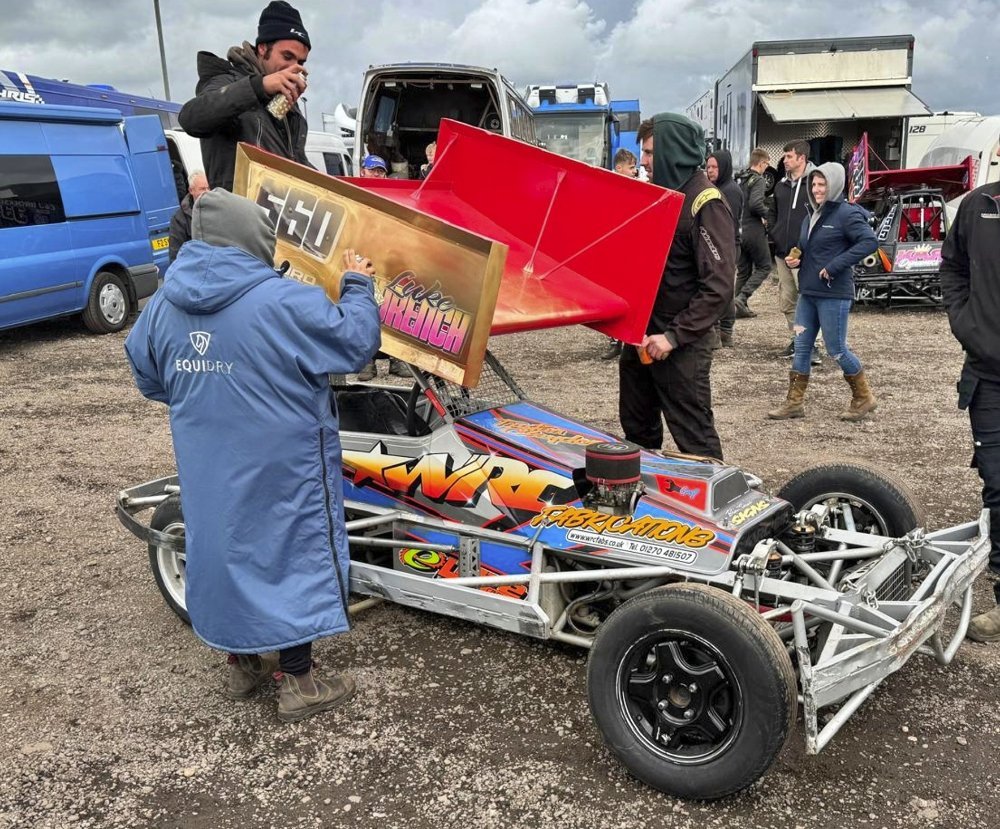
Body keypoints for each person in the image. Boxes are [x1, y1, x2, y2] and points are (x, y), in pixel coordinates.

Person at [124, 189, 381, 721]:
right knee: (289, 551)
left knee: (224, 546)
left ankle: (242, 665)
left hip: (207, 460)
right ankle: (300, 682)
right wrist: (357, 284)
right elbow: (355, 343)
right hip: (285, 461)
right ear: (253, 240)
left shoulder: (163, 306)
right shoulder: (283, 301)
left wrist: (205, 395)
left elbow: (148, 376)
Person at [620, 114, 736, 459]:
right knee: (637, 432)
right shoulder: (662, 195)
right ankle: (643, 490)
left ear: (674, 152)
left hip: (682, 345)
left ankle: (714, 494)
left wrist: (673, 337)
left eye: (650, 153)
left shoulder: (706, 203)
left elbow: (719, 287)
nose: (643, 162)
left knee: (695, 438)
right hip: (641, 338)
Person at [767, 163, 877, 421]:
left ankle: (864, 397)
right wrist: (797, 260)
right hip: (808, 293)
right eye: (814, 184)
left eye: (822, 184)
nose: (817, 189)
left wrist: (835, 265)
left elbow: (869, 241)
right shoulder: (811, 215)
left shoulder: (846, 214)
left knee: (836, 348)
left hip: (833, 294)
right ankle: (794, 403)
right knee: (801, 346)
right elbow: (807, 249)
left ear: (835, 185)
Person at [940, 173, 1000, 642]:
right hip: (988, 374)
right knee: (998, 486)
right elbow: (952, 266)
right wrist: (966, 323)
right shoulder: (979, 205)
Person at [178, 1, 312, 191]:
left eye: (300, 62)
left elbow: (296, 162)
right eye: (287, 57)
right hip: (237, 207)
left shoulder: (288, 105)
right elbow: (191, 117)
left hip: (273, 207)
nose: (294, 68)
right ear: (263, 48)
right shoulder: (226, 80)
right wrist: (260, 86)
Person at [356, 153, 407, 380]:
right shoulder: (354, 193)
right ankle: (367, 362)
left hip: (387, 260)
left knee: (392, 307)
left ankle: (396, 359)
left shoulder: (392, 197)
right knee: (364, 308)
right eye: (372, 170)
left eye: (380, 171)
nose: (376, 174)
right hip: (363, 259)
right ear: (362, 171)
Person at [771, 140, 815, 357]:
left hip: (806, 255)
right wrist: (774, 232)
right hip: (782, 253)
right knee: (787, 301)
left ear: (802, 158)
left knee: (808, 299)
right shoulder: (780, 185)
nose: (784, 160)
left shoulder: (815, 184)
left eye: (789, 156)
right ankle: (798, 339)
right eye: (785, 156)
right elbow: (774, 212)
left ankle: (813, 345)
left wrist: (809, 246)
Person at [600, 148, 640, 360]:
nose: (635, 171)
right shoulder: (610, 189)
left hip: (630, 251)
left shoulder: (638, 190)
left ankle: (628, 337)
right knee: (614, 297)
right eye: (631, 168)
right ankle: (615, 340)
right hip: (615, 252)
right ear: (619, 168)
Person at [707, 150, 743, 348]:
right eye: (708, 167)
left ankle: (722, 332)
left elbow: (729, 224)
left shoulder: (730, 191)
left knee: (720, 289)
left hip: (726, 246)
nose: (710, 171)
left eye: (715, 167)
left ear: (724, 168)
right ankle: (722, 333)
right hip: (719, 244)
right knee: (723, 288)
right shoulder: (715, 188)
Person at [733, 148, 774, 318]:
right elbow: (755, 204)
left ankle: (735, 308)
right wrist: (769, 215)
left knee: (743, 271)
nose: (767, 167)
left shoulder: (740, 178)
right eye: (767, 164)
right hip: (753, 230)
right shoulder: (758, 180)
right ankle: (742, 297)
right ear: (762, 163)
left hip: (739, 230)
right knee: (765, 266)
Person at [167, 170, 209, 264]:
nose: (207, 192)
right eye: (202, 189)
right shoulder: (179, 219)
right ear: (191, 190)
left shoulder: (218, 211)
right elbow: (175, 255)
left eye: (208, 188)